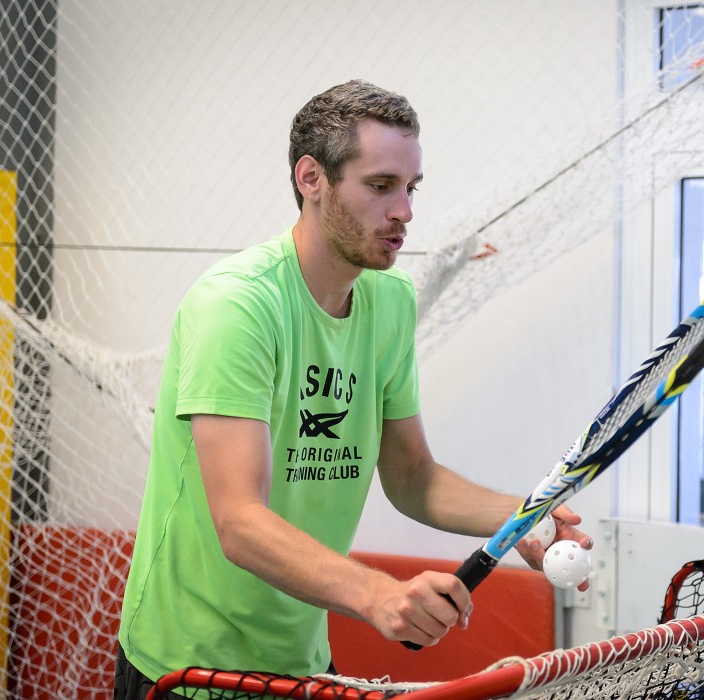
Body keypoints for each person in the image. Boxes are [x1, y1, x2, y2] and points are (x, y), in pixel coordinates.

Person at [115, 79, 592, 698]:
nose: (405, 212)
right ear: (311, 178)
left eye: (411, 188)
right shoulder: (238, 305)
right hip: (187, 667)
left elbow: (412, 476)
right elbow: (239, 521)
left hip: (301, 661)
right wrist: (377, 593)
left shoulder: (389, 301)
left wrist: (521, 517)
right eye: (380, 186)